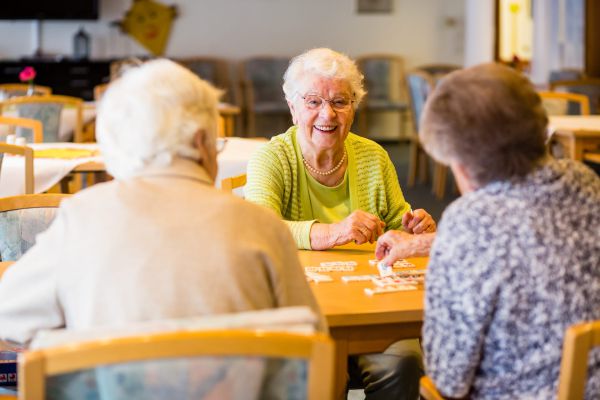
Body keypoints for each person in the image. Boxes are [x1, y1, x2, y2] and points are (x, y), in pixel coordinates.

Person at [0, 59, 324, 346]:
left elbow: (9, 317)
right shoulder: (262, 226)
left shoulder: (81, 220)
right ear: (201, 142)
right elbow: (312, 343)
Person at [377, 63, 600, 398]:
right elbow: (523, 233)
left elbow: (448, 377)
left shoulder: (469, 220)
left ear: (462, 162)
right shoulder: (586, 183)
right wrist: (424, 245)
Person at [246, 48, 432, 399]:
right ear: (293, 106)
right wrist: (331, 232)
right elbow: (259, 228)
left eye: (340, 102)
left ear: (354, 107)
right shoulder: (271, 158)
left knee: (404, 362)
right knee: (310, 369)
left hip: (371, 308)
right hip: (302, 310)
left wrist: (413, 230)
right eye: (313, 101)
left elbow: (396, 224)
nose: (327, 114)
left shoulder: (374, 156)